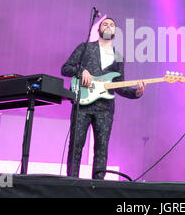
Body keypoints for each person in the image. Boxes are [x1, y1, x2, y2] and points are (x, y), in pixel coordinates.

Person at [61, 17, 146, 179]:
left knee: (102, 148)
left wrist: (136, 93)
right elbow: (65, 68)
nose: (108, 26)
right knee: (76, 145)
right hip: (83, 104)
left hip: (105, 109)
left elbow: (119, 85)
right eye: (105, 24)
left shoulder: (118, 56)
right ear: (98, 30)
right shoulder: (85, 48)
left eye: (112, 25)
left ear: (115, 32)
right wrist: (81, 72)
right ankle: (71, 183)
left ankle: (98, 185)